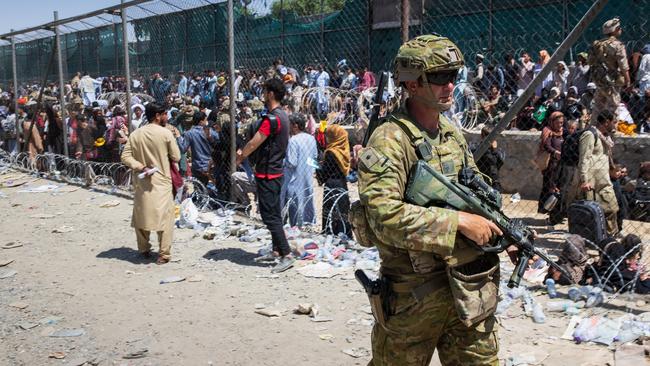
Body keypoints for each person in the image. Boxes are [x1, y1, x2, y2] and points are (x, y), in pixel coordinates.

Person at [357, 34, 508, 366]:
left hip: (467, 290)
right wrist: (459, 223)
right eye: (440, 77)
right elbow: (384, 217)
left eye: (453, 77)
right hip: (414, 299)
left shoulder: (451, 134)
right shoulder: (389, 140)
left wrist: (502, 230)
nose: (450, 85)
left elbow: (475, 195)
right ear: (412, 84)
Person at [236, 78, 294, 273]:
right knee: (273, 213)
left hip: (268, 173)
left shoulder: (272, 119)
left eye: (264, 90)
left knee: (270, 216)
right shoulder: (282, 116)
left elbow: (255, 142)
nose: (262, 94)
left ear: (270, 93)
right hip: (275, 172)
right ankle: (276, 250)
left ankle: (286, 254)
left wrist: (241, 156)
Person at [121, 103, 181, 265]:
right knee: (165, 218)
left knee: (141, 214)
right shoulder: (166, 133)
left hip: (142, 180)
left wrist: (141, 166)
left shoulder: (136, 134)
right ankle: (164, 254)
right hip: (161, 181)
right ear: (157, 116)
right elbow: (176, 156)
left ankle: (144, 248)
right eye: (165, 114)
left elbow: (125, 156)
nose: (167, 118)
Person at [578, 110, 619, 235]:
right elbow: (584, 158)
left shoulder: (606, 137)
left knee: (612, 209)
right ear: (606, 122)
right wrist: (584, 180)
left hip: (604, 181)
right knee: (594, 213)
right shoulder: (590, 135)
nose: (616, 125)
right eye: (614, 122)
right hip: (592, 183)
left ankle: (610, 238)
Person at [588, 18, 630, 124]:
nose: (621, 30)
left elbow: (590, 61)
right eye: (619, 28)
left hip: (599, 79)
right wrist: (628, 80)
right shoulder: (617, 45)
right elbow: (623, 66)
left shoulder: (599, 44)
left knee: (598, 105)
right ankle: (612, 128)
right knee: (613, 106)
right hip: (613, 80)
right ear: (615, 30)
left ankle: (594, 126)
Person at [282, 113, 318, 227]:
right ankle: (307, 223)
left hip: (294, 178)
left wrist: (282, 162)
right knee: (306, 199)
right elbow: (314, 158)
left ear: (295, 126)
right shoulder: (311, 138)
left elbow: (292, 162)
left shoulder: (293, 140)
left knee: (294, 202)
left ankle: (295, 225)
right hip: (307, 174)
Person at [316, 124, 352, 238]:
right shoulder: (344, 151)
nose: (326, 138)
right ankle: (344, 233)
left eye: (328, 136)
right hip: (342, 184)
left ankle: (330, 233)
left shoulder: (331, 152)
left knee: (330, 210)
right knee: (342, 210)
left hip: (331, 185)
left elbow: (325, 174)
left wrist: (317, 167)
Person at [176, 111, 218, 186]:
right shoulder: (210, 131)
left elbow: (183, 149)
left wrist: (178, 137)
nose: (206, 122)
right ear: (201, 122)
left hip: (197, 166)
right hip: (210, 165)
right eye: (205, 120)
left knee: (199, 187)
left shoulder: (189, 133)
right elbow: (219, 141)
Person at [537, 111, 564, 214]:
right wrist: (555, 152)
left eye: (561, 122)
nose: (560, 125)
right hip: (550, 164)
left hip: (560, 164)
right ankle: (545, 209)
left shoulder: (562, 132)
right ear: (552, 122)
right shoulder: (547, 131)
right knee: (549, 187)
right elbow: (546, 145)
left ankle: (552, 210)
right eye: (558, 123)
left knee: (557, 187)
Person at [473, 126, 504, 192]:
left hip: (493, 181)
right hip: (483, 180)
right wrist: (494, 150)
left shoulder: (494, 150)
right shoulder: (479, 149)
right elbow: (493, 161)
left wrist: (494, 150)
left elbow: (500, 163)